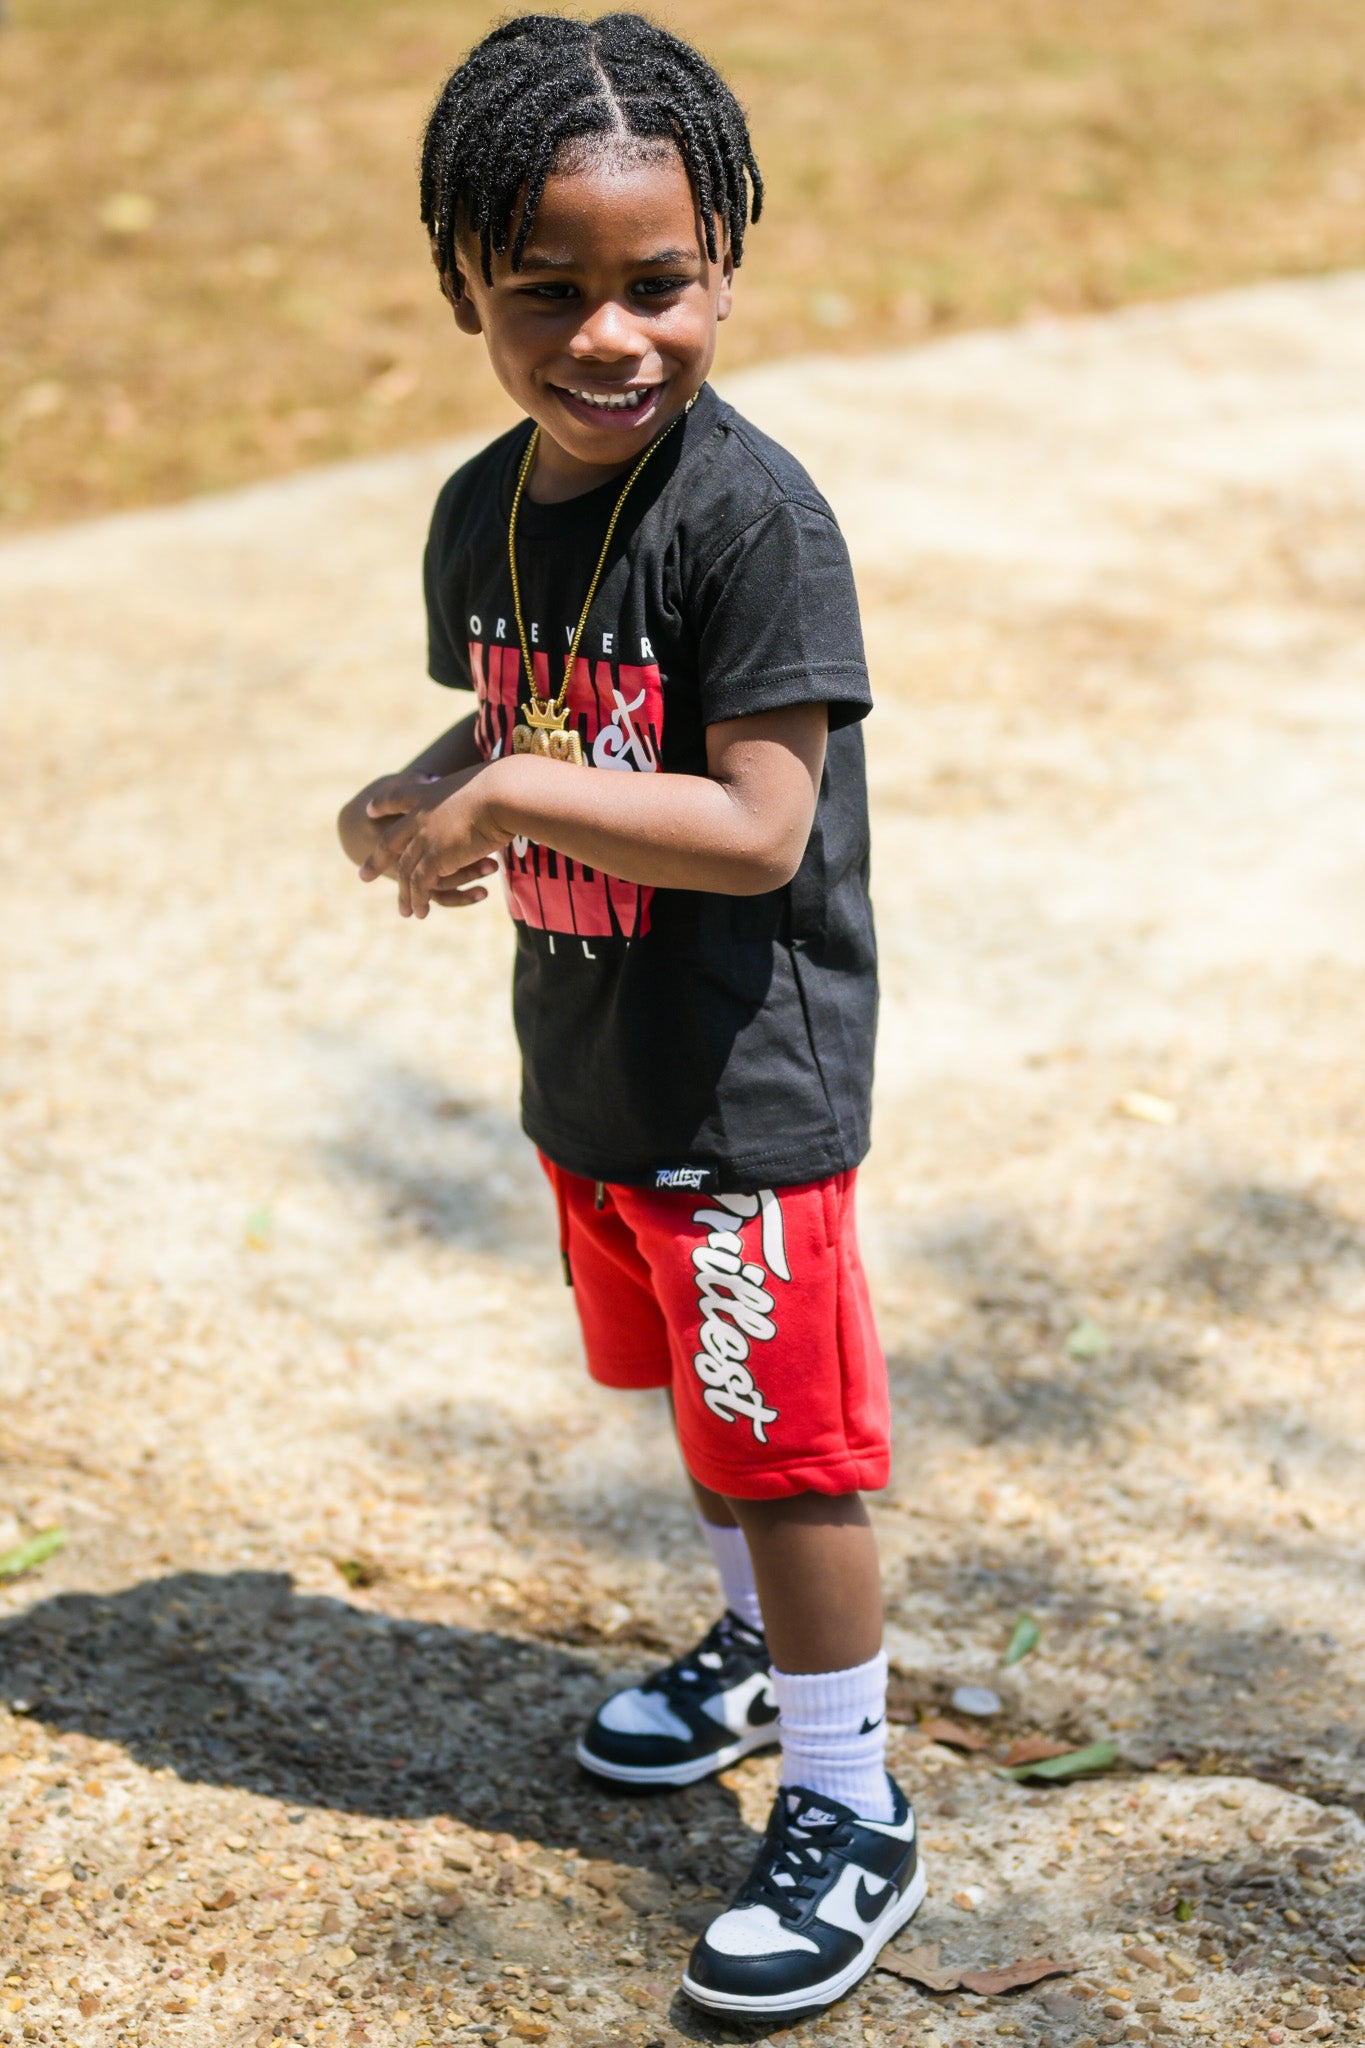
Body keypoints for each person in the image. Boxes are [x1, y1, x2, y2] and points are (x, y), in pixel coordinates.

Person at [336, 12, 923, 2020]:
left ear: (722, 265)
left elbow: (760, 824)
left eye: (657, 285)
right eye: (545, 294)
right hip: (588, 1057)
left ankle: (849, 1800)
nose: (611, 337)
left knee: (789, 1451)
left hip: (742, 1075)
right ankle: (756, 1647)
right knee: (701, 1409)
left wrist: (508, 795)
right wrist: (425, 788)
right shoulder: (483, 508)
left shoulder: (747, 519)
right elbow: (521, 722)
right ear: (464, 295)